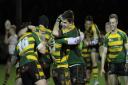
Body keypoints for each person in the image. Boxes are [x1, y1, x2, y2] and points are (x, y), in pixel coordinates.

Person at [53, 10, 85, 85]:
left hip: (76, 64)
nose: (62, 24)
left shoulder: (71, 31)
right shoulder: (68, 29)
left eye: (64, 22)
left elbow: (54, 32)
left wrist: (57, 20)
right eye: (62, 22)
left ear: (70, 23)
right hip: (70, 64)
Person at [101, 14, 128, 85]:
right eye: (110, 23)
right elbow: (104, 53)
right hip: (112, 64)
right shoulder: (107, 37)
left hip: (123, 63)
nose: (111, 24)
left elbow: (127, 50)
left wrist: (127, 62)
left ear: (117, 22)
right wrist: (102, 67)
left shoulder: (123, 34)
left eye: (113, 22)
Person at [81, 16, 100, 85]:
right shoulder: (86, 30)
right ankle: (86, 78)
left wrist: (88, 42)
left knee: (93, 58)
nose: (87, 25)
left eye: (89, 24)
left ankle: (96, 80)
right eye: (86, 24)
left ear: (92, 23)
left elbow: (96, 40)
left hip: (97, 46)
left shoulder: (94, 27)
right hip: (89, 47)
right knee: (87, 67)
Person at [3, 19, 18, 85]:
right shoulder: (11, 37)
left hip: (13, 55)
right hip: (9, 54)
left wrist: (11, 26)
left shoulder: (16, 36)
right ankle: (6, 81)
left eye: (10, 30)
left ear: (13, 30)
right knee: (6, 69)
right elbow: (5, 42)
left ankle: (5, 82)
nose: (9, 30)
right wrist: (6, 33)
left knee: (9, 67)